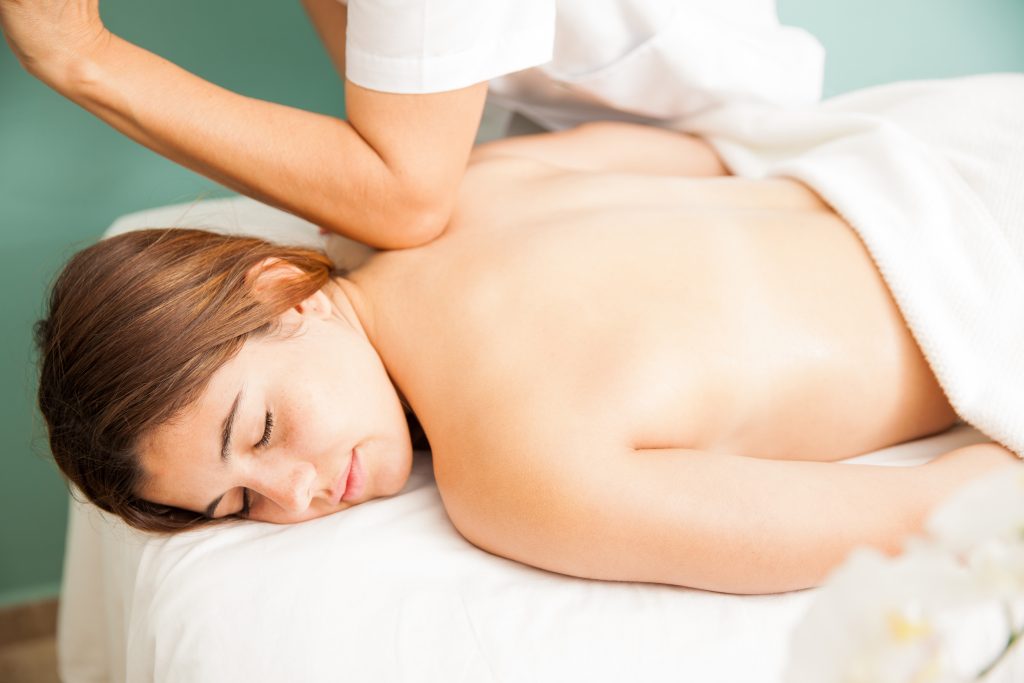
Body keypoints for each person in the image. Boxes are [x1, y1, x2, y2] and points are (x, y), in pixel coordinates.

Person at [35, 120, 1021, 596]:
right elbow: (704, 158)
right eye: (239, 504)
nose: (296, 494)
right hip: (946, 165)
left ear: (281, 290)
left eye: (260, 430)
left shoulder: (511, 475)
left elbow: (917, 518)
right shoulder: (476, 185)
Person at [0, 0, 824, 248]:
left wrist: (85, 57)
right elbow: (385, 102)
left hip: (733, 154)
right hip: (589, 128)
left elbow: (404, 196)